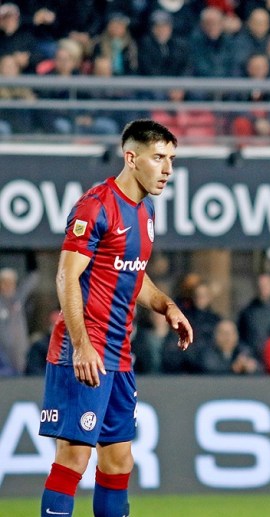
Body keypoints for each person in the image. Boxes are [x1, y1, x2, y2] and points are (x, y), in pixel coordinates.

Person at [38, 119, 193, 517]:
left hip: (119, 354)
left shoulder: (146, 209)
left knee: (119, 461)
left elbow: (131, 273)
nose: (168, 169)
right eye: (158, 158)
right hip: (83, 350)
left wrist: (166, 305)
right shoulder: (96, 206)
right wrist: (81, 345)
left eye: (171, 159)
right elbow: (66, 276)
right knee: (74, 457)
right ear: (131, 157)